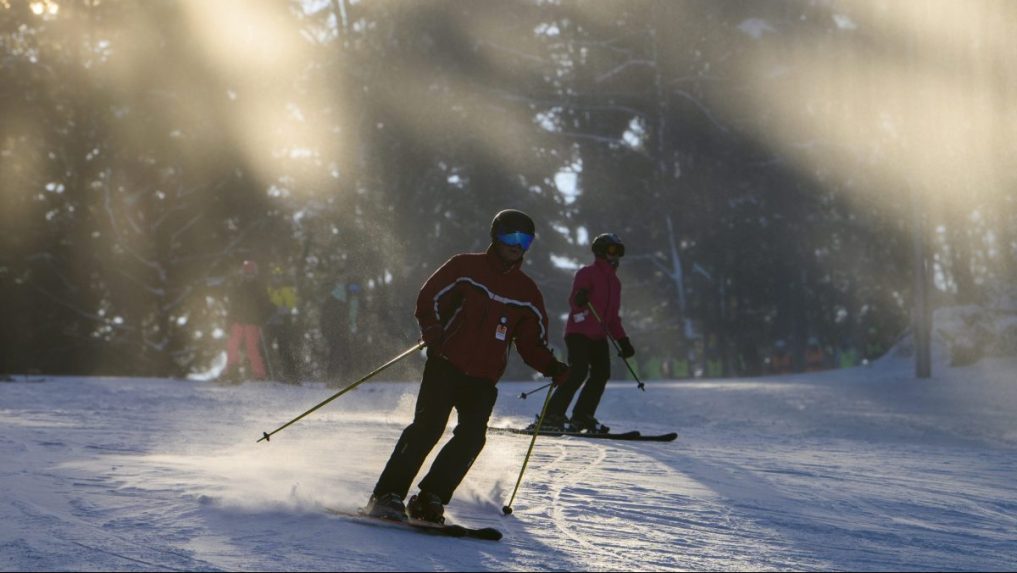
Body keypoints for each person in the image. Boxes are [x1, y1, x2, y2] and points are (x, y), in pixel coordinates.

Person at [366, 209, 570, 523]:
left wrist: (552, 366)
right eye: (510, 236)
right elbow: (429, 298)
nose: (516, 245)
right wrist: (433, 331)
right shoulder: (465, 267)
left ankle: (430, 497)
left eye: (525, 240)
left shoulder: (527, 293)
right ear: (495, 236)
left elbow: (531, 344)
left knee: (473, 437)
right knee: (428, 428)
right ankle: (386, 495)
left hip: (483, 377)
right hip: (446, 363)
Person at [540, 233, 634, 434]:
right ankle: (551, 415)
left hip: (599, 336)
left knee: (602, 374)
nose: (615, 256)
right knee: (578, 371)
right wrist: (580, 297)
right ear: (600, 251)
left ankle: (582, 416)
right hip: (578, 333)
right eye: (611, 250)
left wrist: (623, 341)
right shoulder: (587, 273)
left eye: (618, 251)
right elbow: (574, 301)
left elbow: (613, 319)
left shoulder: (615, 284)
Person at [221, 260, 274, 382]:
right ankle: (231, 371)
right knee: (232, 346)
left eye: (251, 274)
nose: (248, 276)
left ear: (255, 274)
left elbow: (269, 306)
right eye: (246, 274)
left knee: (252, 348)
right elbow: (232, 306)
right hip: (238, 321)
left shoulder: (260, 287)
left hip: (252, 322)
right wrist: (229, 321)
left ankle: (259, 374)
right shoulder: (238, 287)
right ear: (243, 274)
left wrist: (262, 319)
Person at [320, 276, 361, 384]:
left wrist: (352, 326)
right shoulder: (337, 295)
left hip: (343, 329)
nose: (354, 291)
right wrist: (325, 327)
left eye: (356, 289)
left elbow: (352, 314)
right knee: (335, 352)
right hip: (333, 328)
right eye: (352, 288)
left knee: (346, 353)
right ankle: (331, 379)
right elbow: (326, 313)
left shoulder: (353, 299)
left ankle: (346, 379)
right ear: (348, 286)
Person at [266, 265, 300, 382]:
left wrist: (276, 309)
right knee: (265, 348)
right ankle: (268, 373)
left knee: (284, 349)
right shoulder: (269, 290)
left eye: (279, 277)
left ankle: (291, 375)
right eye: (275, 276)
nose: (277, 279)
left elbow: (291, 307)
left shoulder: (286, 290)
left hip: (283, 324)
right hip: (270, 324)